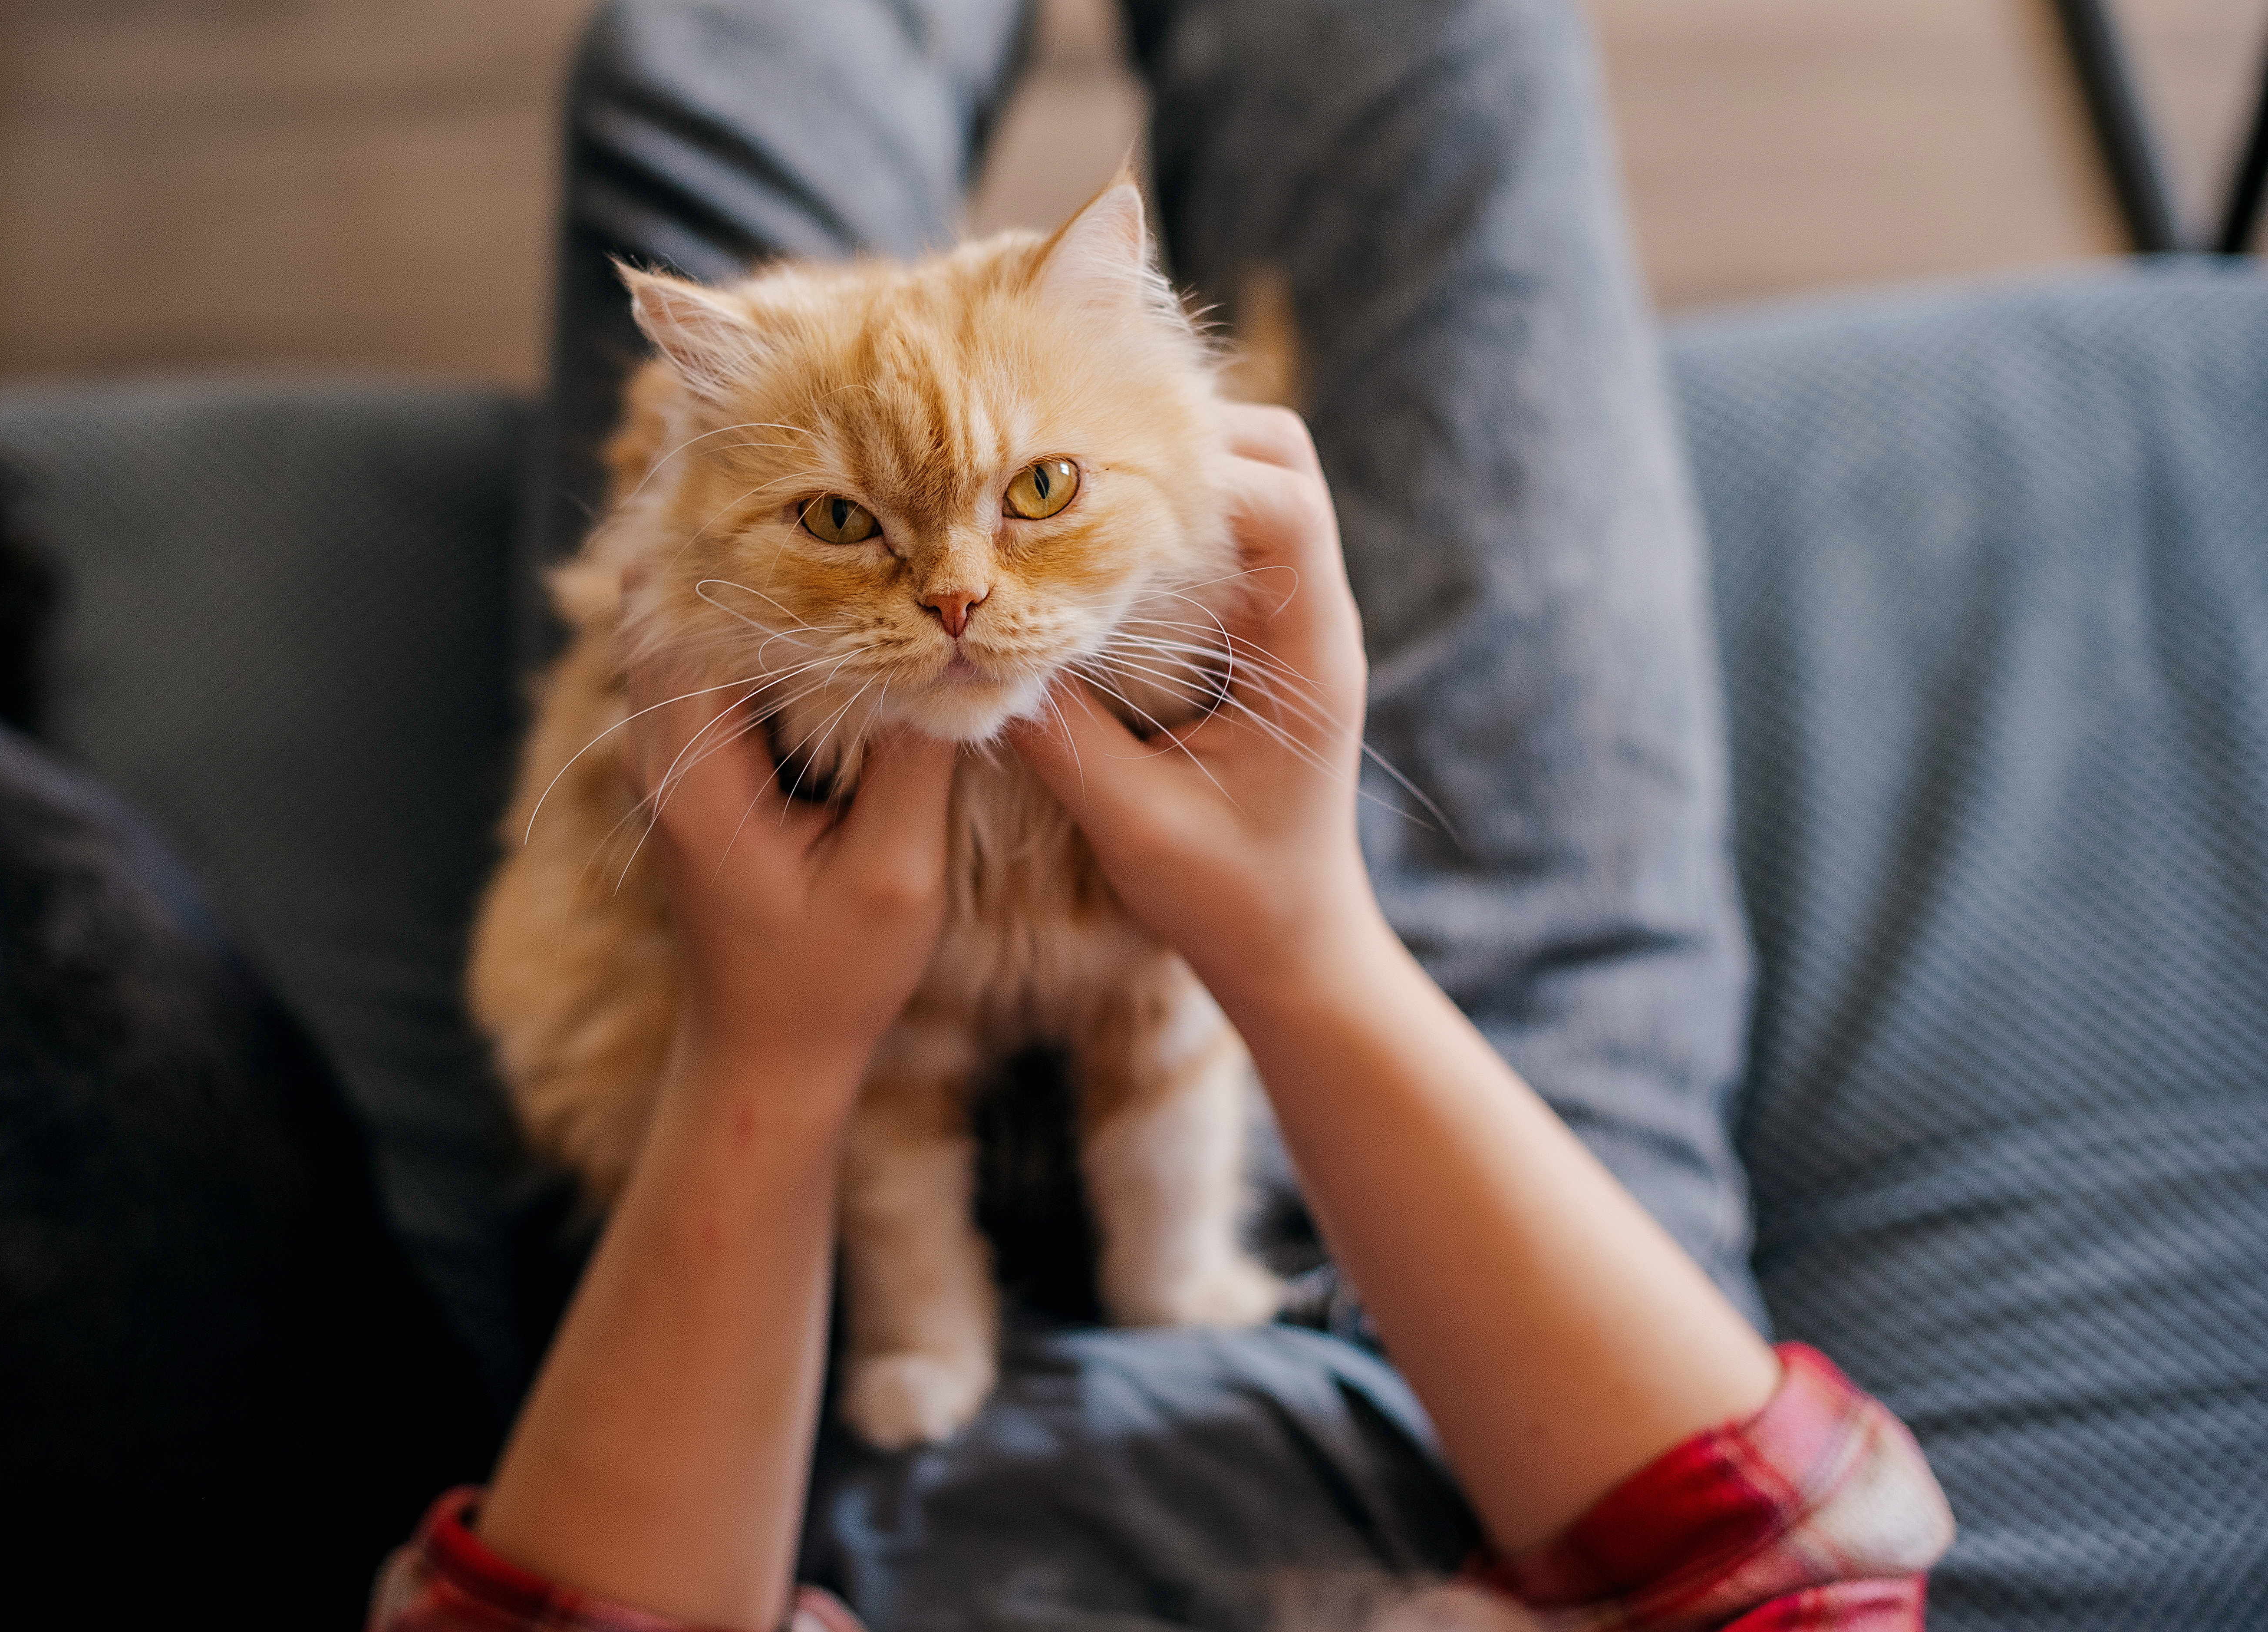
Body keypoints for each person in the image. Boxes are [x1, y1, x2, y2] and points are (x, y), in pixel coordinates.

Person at [374, 0, 1953, 1625]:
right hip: (1487, 1352)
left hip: (777, 1425)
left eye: (1026, 503)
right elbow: (1796, 1573)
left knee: (707, 71)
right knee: (1440, 37)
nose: (957, 599)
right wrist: (1308, 941)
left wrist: (764, 1043)